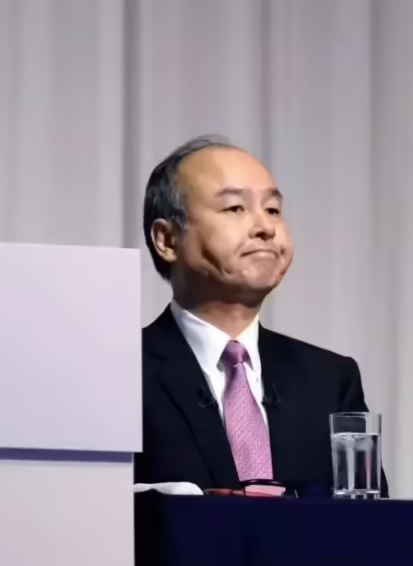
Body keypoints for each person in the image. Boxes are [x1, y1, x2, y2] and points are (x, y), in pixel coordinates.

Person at [135, 135, 386, 496]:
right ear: (167, 239)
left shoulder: (330, 380)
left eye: (272, 209)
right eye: (235, 208)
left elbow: (370, 519)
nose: (265, 228)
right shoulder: (122, 371)